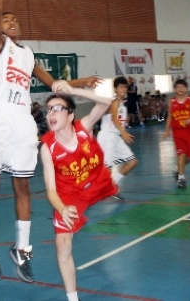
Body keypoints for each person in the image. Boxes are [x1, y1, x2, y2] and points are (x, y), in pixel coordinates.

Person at [0, 0, 96, 283]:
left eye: (15, 19)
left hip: (22, 119)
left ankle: (22, 248)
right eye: (7, 19)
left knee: (23, 184)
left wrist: (84, 82)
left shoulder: (28, 54)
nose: (11, 21)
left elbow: (54, 83)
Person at [40, 87, 117, 301]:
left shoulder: (84, 128)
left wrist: (73, 90)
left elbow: (106, 102)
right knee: (62, 244)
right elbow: (51, 190)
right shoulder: (48, 148)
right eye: (49, 110)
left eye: (58, 109)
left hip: (94, 182)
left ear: (71, 114)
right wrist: (62, 208)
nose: (51, 114)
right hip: (68, 194)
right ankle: (73, 299)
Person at [96, 76, 138, 200]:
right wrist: (124, 133)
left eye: (125, 87)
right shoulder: (114, 101)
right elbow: (114, 118)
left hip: (116, 136)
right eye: (120, 87)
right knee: (106, 168)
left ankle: (111, 185)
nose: (123, 89)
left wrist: (122, 133)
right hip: (107, 136)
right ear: (115, 89)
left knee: (133, 162)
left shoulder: (122, 104)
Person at [162, 79, 190, 189]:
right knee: (181, 154)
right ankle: (181, 178)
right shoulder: (171, 101)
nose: (180, 89)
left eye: (182, 87)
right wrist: (167, 130)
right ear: (175, 89)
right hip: (177, 131)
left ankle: (177, 168)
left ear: (186, 89)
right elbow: (170, 117)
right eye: (178, 87)